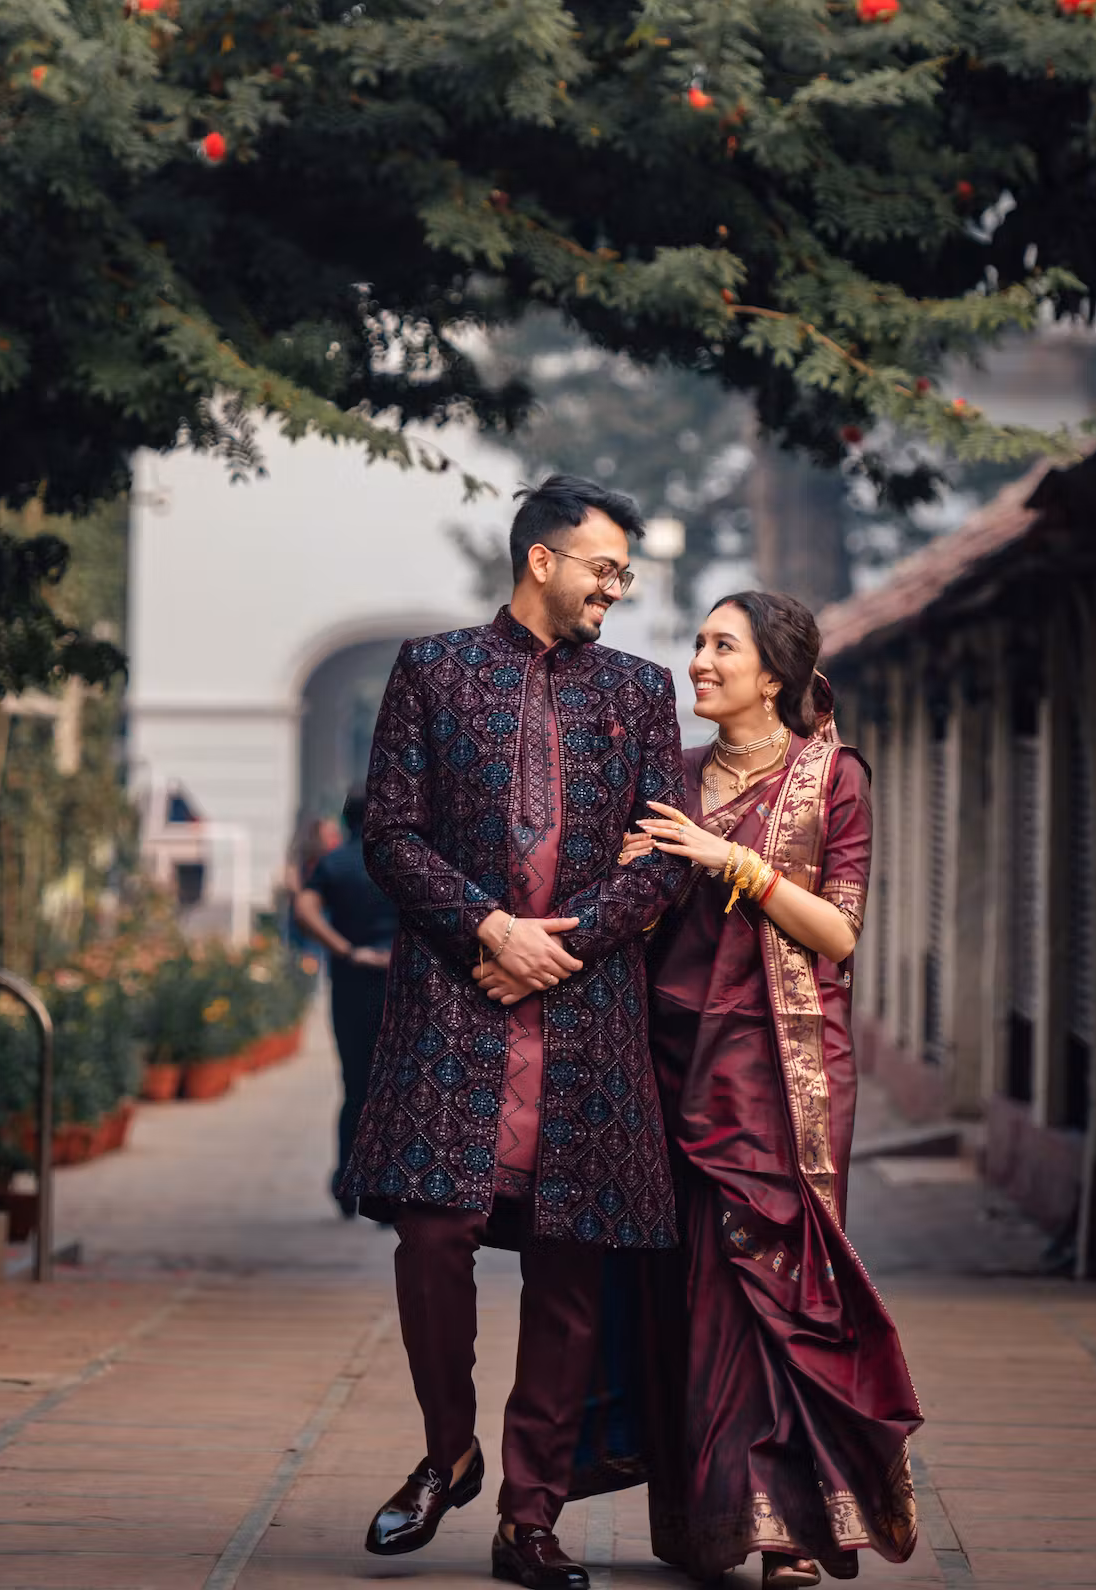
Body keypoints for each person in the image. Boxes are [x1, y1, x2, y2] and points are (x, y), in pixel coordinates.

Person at [344, 474, 691, 1590]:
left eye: (624, 573)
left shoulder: (639, 691)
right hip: (458, 1002)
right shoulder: (435, 670)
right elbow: (388, 833)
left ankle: (529, 1519)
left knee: (569, 1267)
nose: (617, 588)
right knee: (434, 1236)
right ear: (541, 558)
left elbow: (663, 854)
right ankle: (450, 1452)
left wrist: (565, 940)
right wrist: (489, 926)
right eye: (604, 566)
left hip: (586, 1018)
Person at [579, 590, 922, 1587]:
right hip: (672, 1065)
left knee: (781, 1286)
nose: (696, 661)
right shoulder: (672, 781)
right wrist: (634, 874)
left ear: (771, 673)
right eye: (695, 643)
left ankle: (795, 1532)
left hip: (783, 1072)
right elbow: (634, 923)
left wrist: (738, 862)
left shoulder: (832, 780)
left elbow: (840, 933)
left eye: (719, 645)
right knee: (694, 1291)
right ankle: (719, 1518)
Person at [292, 788, 397, 1217]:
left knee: (354, 1085)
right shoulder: (398, 862)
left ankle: (345, 1182)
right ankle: (386, 1189)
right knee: (393, 1085)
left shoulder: (334, 863)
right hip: (401, 984)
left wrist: (344, 949)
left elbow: (304, 909)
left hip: (352, 982)